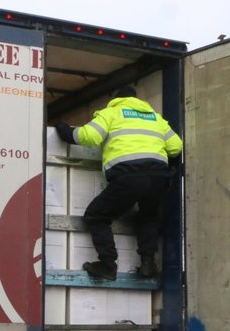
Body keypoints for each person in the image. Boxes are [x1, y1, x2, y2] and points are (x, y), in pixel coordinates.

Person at [56, 85, 183, 281]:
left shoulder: (111, 113)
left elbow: (89, 136)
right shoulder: (156, 118)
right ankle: (148, 264)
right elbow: (175, 147)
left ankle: (107, 263)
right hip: (159, 179)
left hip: (129, 177)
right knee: (148, 217)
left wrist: (64, 130)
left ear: (116, 99)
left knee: (96, 215)